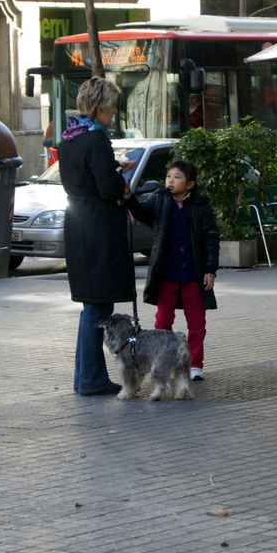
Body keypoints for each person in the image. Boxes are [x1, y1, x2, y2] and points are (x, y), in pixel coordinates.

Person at [58, 76, 136, 396]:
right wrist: (122, 182)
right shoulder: (96, 139)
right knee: (98, 307)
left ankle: (85, 376)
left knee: (91, 304)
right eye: (112, 106)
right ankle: (91, 379)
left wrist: (112, 168)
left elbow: (86, 177)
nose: (114, 113)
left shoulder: (69, 137)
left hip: (78, 222)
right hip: (98, 225)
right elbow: (106, 188)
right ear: (100, 107)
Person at [124, 160, 219, 381]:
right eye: (168, 176)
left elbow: (211, 240)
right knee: (162, 323)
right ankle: (163, 363)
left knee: (196, 324)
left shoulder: (201, 207)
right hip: (166, 274)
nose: (171, 181)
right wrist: (129, 197)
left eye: (177, 177)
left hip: (194, 276)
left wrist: (210, 270)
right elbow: (141, 212)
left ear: (190, 183)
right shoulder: (159, 200)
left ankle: (195, 365)